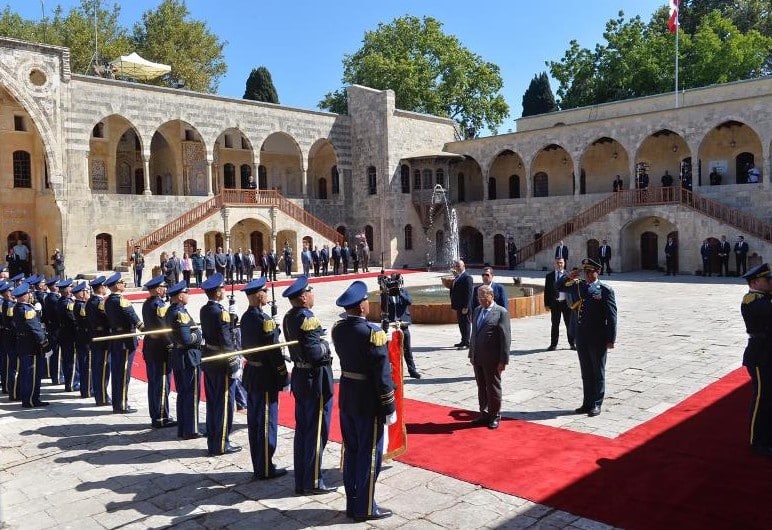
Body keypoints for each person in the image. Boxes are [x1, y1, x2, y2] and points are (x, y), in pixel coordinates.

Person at [332, 280, 396, 521]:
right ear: (361, 307)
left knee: (352, 452)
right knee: (369, 454)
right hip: (368, 400)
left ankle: (353, 501)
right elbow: (381, 374)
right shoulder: (372, 333)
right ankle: (366, 506)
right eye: (366, 301)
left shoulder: (338, 329)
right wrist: (389, 404)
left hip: (348, 396)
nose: (368, 304)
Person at [281, 276, 335, 495]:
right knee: (316, 431)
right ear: (303, 297)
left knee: (303, 431)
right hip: (315, 380)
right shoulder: (308, 318)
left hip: (301, 377)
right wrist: (325, 346)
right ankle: (313, 480)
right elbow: (315, 353)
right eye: (310, 291)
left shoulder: (289, 316)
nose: (313, 294)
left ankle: (301, 479)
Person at [240, 277, 289, 480]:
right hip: (265, 377)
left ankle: (259, 464)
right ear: (258, 295)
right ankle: (266, 467)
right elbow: (274, 352)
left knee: (255, 423)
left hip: (252, 373)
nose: (267, 295)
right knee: (267, 422)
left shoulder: (246, 317)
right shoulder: (263, 320)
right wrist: (283, 376)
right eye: (265, 292)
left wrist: (274, 328)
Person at [557, 258, 617, 417]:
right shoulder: (579, 285)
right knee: (586, 371)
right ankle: (587, 402)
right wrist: (568, 276)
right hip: (581, 336)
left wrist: (611, 339)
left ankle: (596, 403)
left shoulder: (605, 290)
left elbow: (611, 317)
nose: (588, 275)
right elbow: (558, 287)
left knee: (598, 371)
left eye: (590, 272)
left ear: (598, 272)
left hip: (597, 337)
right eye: (586, 272)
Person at [199, 273, 242, 456]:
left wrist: (231, 317)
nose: (224, 291)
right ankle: (222, 443)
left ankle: (213, 440)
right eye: (222, 288)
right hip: (222, 362)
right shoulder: (220, 312)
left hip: (210, 360)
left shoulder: (205, 309)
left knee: (213, 403)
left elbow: (218, 329)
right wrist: (234, 365)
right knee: (225, 405)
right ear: (217, 293)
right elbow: (226, 340)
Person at [739, 263, 772, 457]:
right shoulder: (753, 301)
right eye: (766, 280)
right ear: (754, 283)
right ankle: (757, 440)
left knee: (769, 397)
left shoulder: (764, 298)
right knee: (762, 398)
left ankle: (767, 435)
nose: (770, 283)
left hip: (767, 353)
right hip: (760, 356)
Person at [468, 284, 511, 429]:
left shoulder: (501, 312)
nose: (480, 299)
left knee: (493, 387)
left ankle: (495, 415)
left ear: (491, 296)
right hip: (477, 356)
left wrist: (503, 360)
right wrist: (471, 353)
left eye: (483, 296)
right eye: (478, 297)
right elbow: (474, 334)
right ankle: (484, 413)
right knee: (481, 387)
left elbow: (505, 338)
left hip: (493, 358)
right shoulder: (477, 310)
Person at [166, 280, 203, 440]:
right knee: (191, 395)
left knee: (183, 394)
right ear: (180, 296)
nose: (188, 295)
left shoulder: (170, 310)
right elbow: (187, 339)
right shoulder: (180, 313)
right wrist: (199, 335)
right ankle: (191, 429)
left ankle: (183, 427)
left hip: (179, 356)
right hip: (189, 358)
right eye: (186, 293)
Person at [104, 272, 144, 413]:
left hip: (115, 338)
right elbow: (133, 317)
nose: (124, 284)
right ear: (117, 285)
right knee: (123, 374)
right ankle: (121, 404)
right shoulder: (122, 301)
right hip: (125, 341)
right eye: (122, 282)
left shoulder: (108, 301)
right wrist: (145, 329)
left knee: (117, 373)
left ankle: (117, 403)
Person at [141, 275, 176, 429]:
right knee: (162, 384)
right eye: (163, 287)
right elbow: (164, 329)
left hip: (151, 346)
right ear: (157, 289)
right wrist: (172, 345)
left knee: (154, 383)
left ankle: (155, 414)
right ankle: (161, 417)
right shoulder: (159, 305)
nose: (165, 289)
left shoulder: (147, 303)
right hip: (160, 349)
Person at [12, 282, 49, 408]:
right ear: (24, 296)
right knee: (32, 374)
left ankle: (27, 398)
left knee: (26, 373)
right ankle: (32, 399)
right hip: (31, 346)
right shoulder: (27, 310)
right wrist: (44, 343)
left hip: (24, 344)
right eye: (28, 294)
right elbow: (35, 329)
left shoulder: (18, 307)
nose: (30, 295)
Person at [380, 273, 421, 378]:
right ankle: (390, 371)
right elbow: (383, 307)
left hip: (403, 324)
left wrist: (399, 292)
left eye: (396, 282)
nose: (395, 284)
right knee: (390, 349)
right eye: (393, 282)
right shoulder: (386, 293)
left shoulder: (404, 291)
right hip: (391, 325)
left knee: (407, 348)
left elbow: (409, 301)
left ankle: (412, 370)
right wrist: (385, 292)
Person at [86, 275, 111, 406]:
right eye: (105, 286)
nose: (106, 288)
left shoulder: (90, 301)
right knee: (103, 370)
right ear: (101, 288)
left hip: (94, 337)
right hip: (103, 339)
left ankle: (99, 395)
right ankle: (102, 397)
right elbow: (107, 320)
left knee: (97, 368)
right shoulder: (100, 303)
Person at [544, 258, 574, 351]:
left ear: (564, 263)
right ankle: (553, 345)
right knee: (555, 324)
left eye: (561, 263)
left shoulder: (569, 275)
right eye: (557, 263)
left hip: (566, 303)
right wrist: (546, 304)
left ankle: (572, 344)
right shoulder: (549, 276)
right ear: (554, 264)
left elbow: (574, 290)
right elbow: (547, 291)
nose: (559, 264)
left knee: (569, 324)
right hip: (555, 303)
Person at [55, 278, 79, 392]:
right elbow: (73, 319)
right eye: (70, 287)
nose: (71, 289)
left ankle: (69, 382)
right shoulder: (67, 303)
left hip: (64, 333)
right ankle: (72, 383)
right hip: (70, 335)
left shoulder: (61, 301)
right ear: (66, 290)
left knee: (67, 360)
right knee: (71, 360)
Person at [71, 281, 93, 399]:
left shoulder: (79, 304)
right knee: (87, 366)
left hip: (81, 337)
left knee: (84, 365)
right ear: (81, 294)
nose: (88, 293)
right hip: (85, 338)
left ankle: (86, 389)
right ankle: (87, 390)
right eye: (86, 291)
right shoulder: (81, 306)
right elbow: (88, 321)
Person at [1, 281, 19, 401]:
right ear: (6, 293)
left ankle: (9, 387)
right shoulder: (9, 305)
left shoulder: (9, 303)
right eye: (10, 291)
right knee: (11, 364)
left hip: (8, 336)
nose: (12, 293)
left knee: (10, 363)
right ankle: (10, 389)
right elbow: (13, 323)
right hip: (11, 337)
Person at [449, 259, 473, 349]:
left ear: (463, 266)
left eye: (459, 266)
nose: (457, 268)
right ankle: (463, 340)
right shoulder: (458, 277)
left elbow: (469, 293)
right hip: (459, 306)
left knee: (466, 324)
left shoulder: (467, 277)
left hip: (464, 306)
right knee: (461, 324)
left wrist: (466, 306)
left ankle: (467, 342)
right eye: (456, 266)